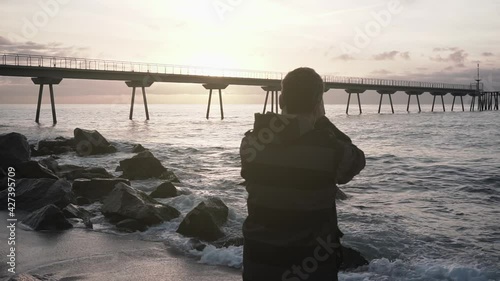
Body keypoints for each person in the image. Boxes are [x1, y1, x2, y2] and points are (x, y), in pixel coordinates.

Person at [240, 67, 365, 281]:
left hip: (258, 265)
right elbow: (356, 161)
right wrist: (323, 121)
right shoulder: (331, 149)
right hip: (312, 268)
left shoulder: (251, 144)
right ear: (318, 103)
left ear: (281, 100)